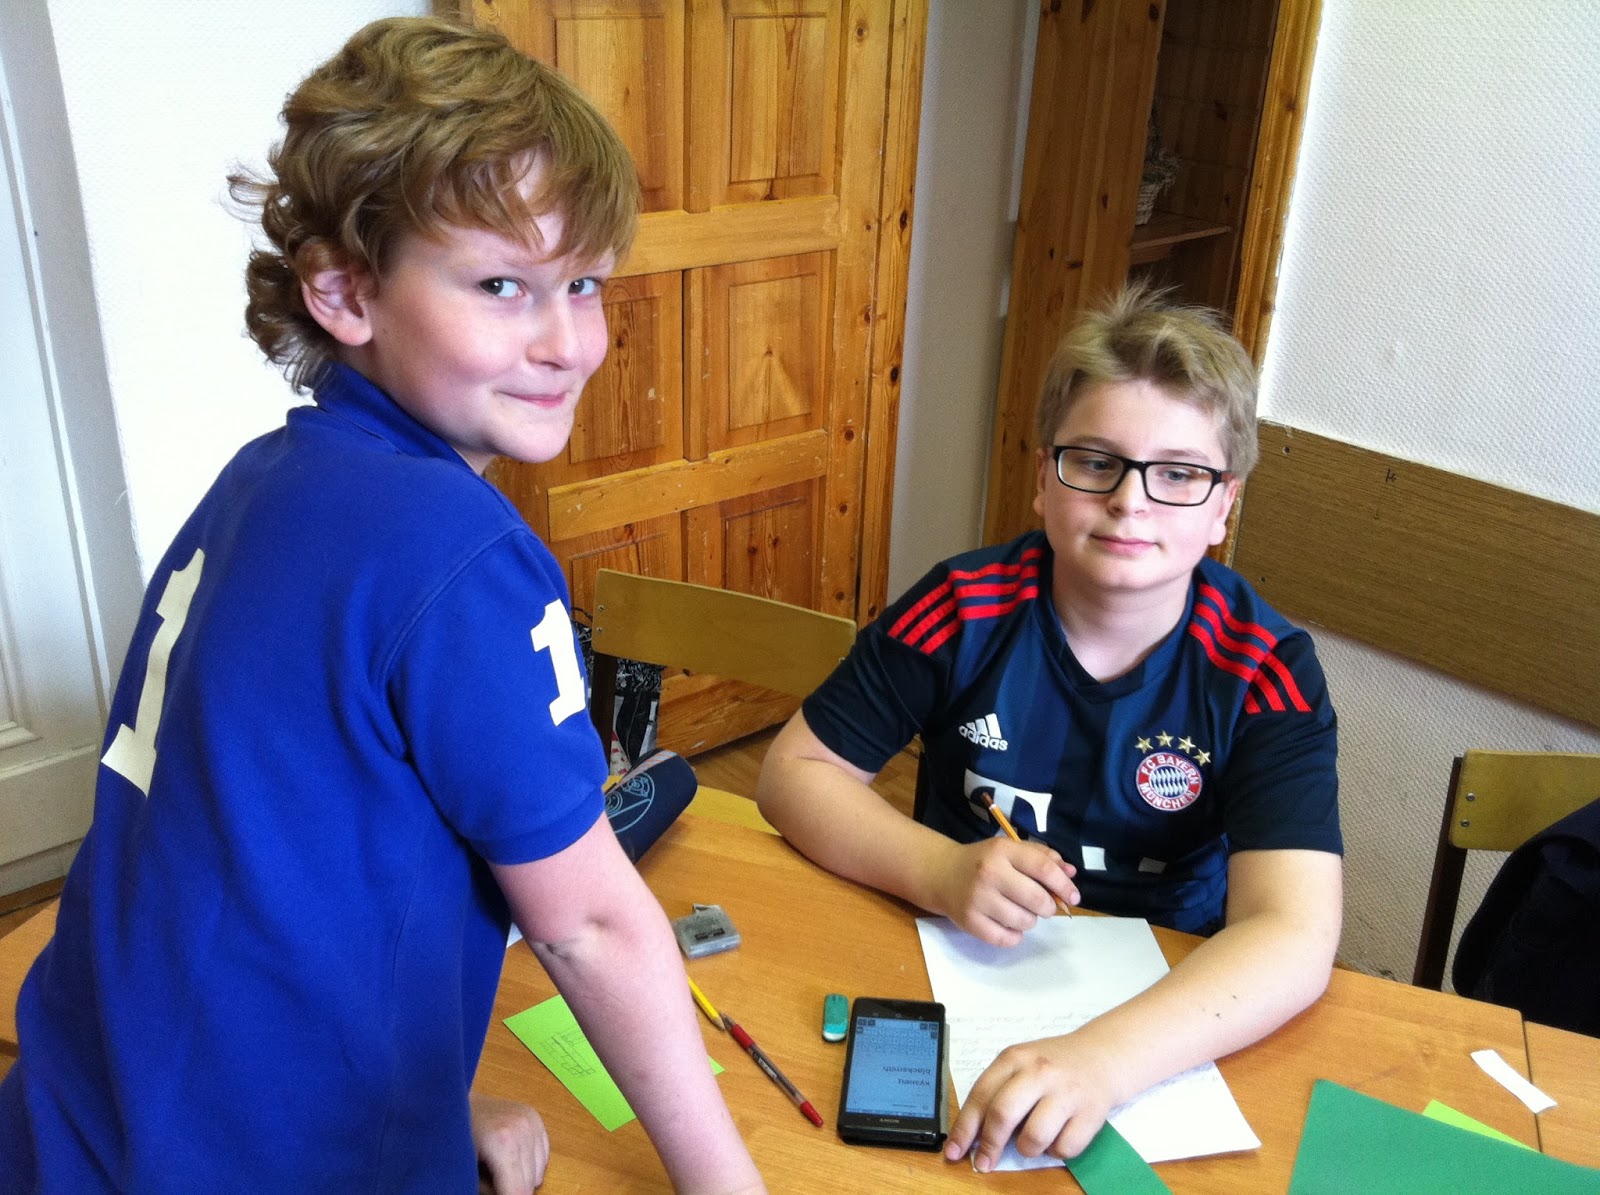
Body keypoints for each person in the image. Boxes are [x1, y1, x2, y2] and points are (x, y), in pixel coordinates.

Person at [0, 18, 762, 1193]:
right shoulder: (455, 552)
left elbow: (274, 848)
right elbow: (589, 925)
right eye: (501, 285)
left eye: (585, 284)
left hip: (87, 1109)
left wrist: (432, 1103)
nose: (568, 342)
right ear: (345, 291)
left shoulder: (262, 479)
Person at [757, 284, 1342, 1172]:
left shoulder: (1267, 666)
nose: (1130, 501)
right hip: (954, 958)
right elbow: (793, 771)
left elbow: (1294, 934)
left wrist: (1101, 1060)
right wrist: (940, 868)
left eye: (1179, 473)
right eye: (1095, 461)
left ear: (1224, 505)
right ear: (1042, 477)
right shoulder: (959, 608)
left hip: (1173, 1008)